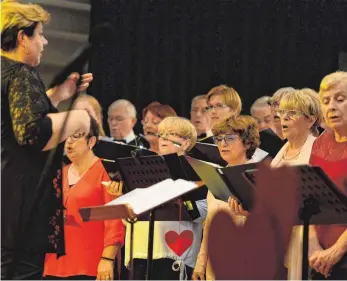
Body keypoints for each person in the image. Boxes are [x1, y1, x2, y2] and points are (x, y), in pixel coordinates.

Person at [1, 1, 93, 279]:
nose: (45, 41)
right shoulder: (21, 74)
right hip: (20, 204)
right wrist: (79, 119)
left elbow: (11, 124)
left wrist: (55, 96)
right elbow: (30, 133)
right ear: (22, 38)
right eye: (39, 34)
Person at [124, 117, 207, 280]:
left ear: (186, 143)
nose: (164, 138)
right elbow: (128, 214)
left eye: (172, 134)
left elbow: (205, 210)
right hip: (142, 248)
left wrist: (179, 201)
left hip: (175, 253)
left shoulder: (198, 170)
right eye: (161, 134)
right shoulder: (142, 168)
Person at [43, 118, 125, 280]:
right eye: (67, 137)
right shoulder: (60, 173)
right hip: (53, 264)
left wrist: (107, 259)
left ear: (92, 141)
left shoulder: (106, 171)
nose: (69, 143)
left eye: (76, 136)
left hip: (89, 265)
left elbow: (114, 222)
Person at [193, 115, 260, 280]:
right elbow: (209, 224)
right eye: (219, 139)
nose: (222, 144)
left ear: (248, 143)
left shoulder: (258, 176)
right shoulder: (216, 177)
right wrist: (200, 264)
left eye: (230, 138)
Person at [270, 88, 322, 280]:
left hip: (303, 235)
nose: (283, 118)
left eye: (292, 113)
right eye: (282, 112)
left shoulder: (318, 150)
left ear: (311, 120)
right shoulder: (280, 152)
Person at [309, 71, 347, 280]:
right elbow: (310, 198)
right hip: (320, 257)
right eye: (326, 101)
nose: (332, 106)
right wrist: (314, 248)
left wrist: (336, 251)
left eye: (340, 99)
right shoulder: (320, 143)